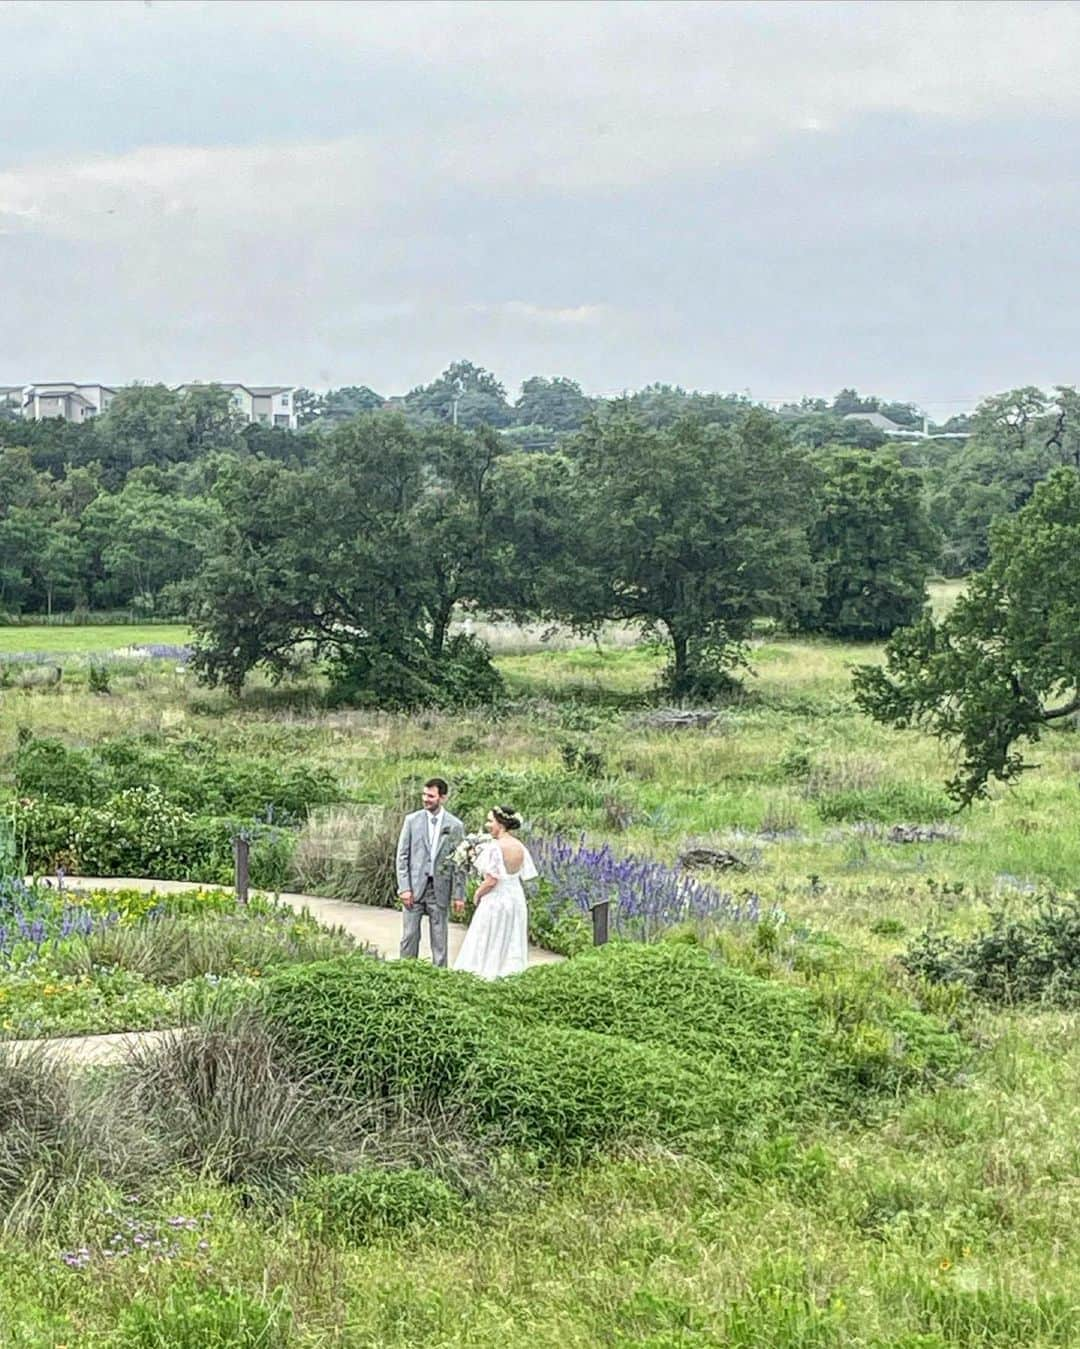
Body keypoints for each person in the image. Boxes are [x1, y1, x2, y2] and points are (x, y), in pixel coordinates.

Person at [454, 804, 536, 980]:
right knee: (510, 936)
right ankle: (508, 974)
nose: (487, 825)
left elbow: (492, 879)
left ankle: (485, 974)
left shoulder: (495, 847)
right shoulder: (519, 846)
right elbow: (521, 874)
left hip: (497, 899)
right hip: (515, 898)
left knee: (487, 936)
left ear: (501, 824)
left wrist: (478, 893)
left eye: (490, 821)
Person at [396, 777, 465, 967]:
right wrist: (404, 888)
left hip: (439, 888)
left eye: (431, 796)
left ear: (442, 798)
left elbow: (460, 863)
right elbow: (402, 856)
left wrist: (459, 895)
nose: (426, 799)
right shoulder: (411, 821)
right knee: (409, 935)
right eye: (424, 794)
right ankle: (405, 972)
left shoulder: (455, 826)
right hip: (415, 887)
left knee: (439, 938)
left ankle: (439, 977)